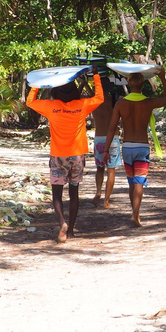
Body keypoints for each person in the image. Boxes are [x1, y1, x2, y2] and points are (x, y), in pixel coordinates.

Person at [26, 68, 104, 242]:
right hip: (77, 156)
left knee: (57, 194)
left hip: (57, 156)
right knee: (74, 193)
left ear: (56, 92)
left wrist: (37, 83)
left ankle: (62, 222)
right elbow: (100, 98)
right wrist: (96, 76)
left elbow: (30, 101)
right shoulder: (82, 105)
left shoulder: (50, 106)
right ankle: (71, 231)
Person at [102, 69, 166, 227]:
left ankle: (135, 213)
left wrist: (105, 150)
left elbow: (112, 128)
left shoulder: (120, 103)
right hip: (142, 147)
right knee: (139, 182)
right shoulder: (148, 102)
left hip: (127, 147)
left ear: (129, 83)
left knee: (132, 183)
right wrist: (162, 78)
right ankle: (135, 215)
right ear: (143, 84)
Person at [91, 88, 121, 208]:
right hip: (112, 138)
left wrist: (83, 82)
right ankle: (106, 201)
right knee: (111, 169)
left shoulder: (94, 101)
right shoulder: (115, 102)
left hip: (99, 138)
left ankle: (98, 192)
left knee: (99, 168)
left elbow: (88, 92)